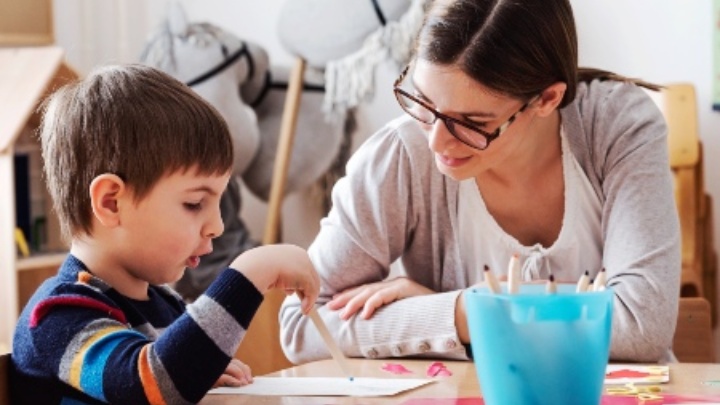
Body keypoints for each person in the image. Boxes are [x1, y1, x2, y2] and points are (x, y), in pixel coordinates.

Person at [279, 0, 680, 364]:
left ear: (546, 99)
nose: (436, 140)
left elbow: (640, 326)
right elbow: (302, 325)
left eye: (472, 122)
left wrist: (473, 312)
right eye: (423, 101)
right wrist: (458, 313)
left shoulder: (615, 124)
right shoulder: (402, 152)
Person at [10, 64, 320, 405]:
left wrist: (195, 367)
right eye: (195, 203)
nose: (217, 225)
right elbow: (150, 384)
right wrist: (252, 271)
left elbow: (169, 376)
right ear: (112, 203)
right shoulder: (58, 315)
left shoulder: (167, 304)